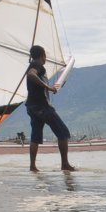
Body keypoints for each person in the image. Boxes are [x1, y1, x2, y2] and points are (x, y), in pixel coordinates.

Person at [25, 45, 76, 173]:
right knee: (63, 133)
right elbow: (31, 75)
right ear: (42, 56)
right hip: (42, 107)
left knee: (35, 137)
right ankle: (65, 164)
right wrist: (48, 87)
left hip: (31, 107)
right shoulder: (37, 66)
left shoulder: (31, 65)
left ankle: (32, 166)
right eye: (45, 56)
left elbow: (31, 75)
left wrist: (48, 87)